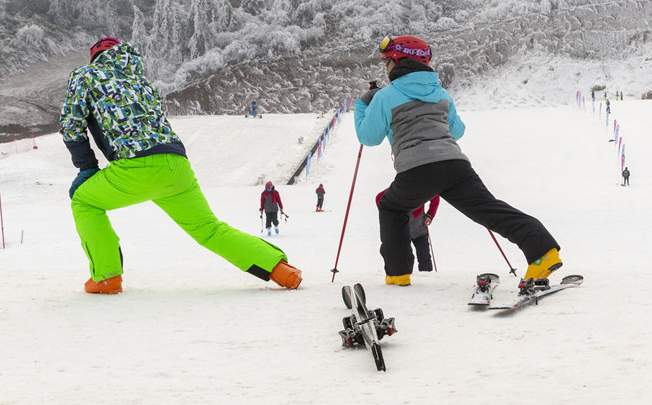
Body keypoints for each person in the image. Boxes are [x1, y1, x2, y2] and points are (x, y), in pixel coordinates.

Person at [61, 37, 301, 294]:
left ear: (95, 56)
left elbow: (71, 126)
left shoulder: (85, 75)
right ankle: (280, 269)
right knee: (208, 228)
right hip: (177, 165)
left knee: (84, 201)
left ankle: (107, 277)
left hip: (134, 167)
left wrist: (86, 168)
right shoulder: (142, 82)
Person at [354, 35, 561, 286]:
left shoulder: (386, 96)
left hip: (416, 170)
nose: (385, 68)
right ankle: (543, 252)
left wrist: (363, 105)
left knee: (392, 207)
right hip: (455, 165)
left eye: (386, 62)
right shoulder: (440, 92)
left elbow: (368, 137)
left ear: (397, 62)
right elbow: (458, 130)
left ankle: (398, 273)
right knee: (488, 209)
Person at [377, 191, 440, 272]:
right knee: (404, 258)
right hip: (402, 232)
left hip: (419, 229)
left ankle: (427, 277)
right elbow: (379, 198)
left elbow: (435, 197)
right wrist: (387, 215)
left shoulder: (422, 189)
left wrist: (430, 215)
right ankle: (404, 276)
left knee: (424, 257)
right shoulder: (398, 188)